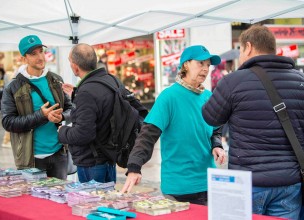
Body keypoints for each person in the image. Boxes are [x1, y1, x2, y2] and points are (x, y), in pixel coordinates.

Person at [202, 25, 303, 219]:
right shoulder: (300, 80)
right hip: (290, 183)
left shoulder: (233, 81)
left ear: (248, 47)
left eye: (240, 50)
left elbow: (210, 117)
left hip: (247, 183)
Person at [121, 45, 226, 205]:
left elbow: (215, 129)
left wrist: (216, 145)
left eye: (208, 65)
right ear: (185, 64)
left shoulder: (208, 96)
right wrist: (134, 167)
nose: (205, 69)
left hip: (208, 182)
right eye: (200, 63)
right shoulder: (168, 97)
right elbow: (147, 135)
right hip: (179, 187)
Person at [1, 35, 72, 180]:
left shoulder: (56, 80)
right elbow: (8, 122)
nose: (40, 57)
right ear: (24, 58)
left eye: (41, 51)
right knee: (34, 202)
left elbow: (71, 109)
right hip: (30, 158)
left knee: (58, 201)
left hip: (59, 154)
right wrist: (41, 115)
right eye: (33, 54)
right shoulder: (13, 87)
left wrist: (62, 116)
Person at [58, 43, 117, 183]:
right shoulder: (110, 80)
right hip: (108, 157)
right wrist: (77, 92)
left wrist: (62, 131)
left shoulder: (86, 92)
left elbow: (83, 134)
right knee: (107, 202)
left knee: (91, 203)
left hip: (92, 162)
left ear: (75, 66)